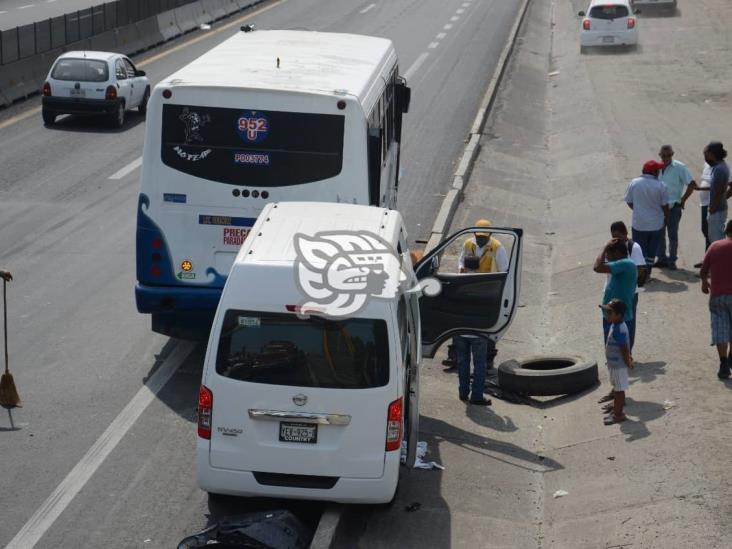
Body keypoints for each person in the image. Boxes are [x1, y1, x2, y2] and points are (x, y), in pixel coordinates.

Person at [444, 219, 508, 372]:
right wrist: (461, 268)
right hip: (468, 287)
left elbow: (505, 270)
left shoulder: (497, 248)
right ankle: (454, 357)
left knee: (487, 326)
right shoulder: (468, 244)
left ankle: (488, 359)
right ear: (474, 234)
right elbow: (460, 260)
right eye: (478, 237)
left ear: (490, 235)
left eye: (483, 237)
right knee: (459, 322)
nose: (480, 240)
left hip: (487, 291)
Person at [455, 256, 491, 406]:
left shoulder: (457, 283)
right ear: (478, 267)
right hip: (478, 332)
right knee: (479, 365)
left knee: (463, 363)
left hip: (460, 331)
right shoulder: (484, 284)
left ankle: (463, 393)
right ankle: (477, 395)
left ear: (465, 266)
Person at [624, 160, 669, 277]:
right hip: (656, 224)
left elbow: (629, 201)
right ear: (654, 172)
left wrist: (638, 210)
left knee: (639, 251)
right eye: (658, 170)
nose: (660, 172)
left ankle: (640, 275)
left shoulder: (634, 183)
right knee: (651, 250)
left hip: (639, 224)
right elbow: (665, 206)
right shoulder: (661, 185)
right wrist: (666, 218)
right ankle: (647, 273)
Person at [700, 220, 732, 379]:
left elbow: (703, 269)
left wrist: (705, 283)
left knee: (720, 328)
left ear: (726, 230)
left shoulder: (715, 246)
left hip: (718, 295)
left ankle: (724, 363)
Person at [656, 145, 695, 270]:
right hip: (659, 208)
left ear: (673, 154)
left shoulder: (679, 167)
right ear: (659, 155)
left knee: (672, 235)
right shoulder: (656, 168)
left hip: (674, 207)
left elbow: (692, 184)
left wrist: (683, 200)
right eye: (663, 155)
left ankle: (672, 260)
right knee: (659, 234)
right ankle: (661, 259)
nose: (666, 157)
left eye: (669, 155)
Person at [593, 238, 638, 346]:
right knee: (612, 350)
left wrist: (604, 248)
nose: (607, 258)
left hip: (619, 317)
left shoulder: (626, 263)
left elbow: (597, 267)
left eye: (608, 254)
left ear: (616, 253)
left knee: (619, 350)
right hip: (612, 315)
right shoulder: (622, 265)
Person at [609, 221, 646, 350]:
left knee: (629, 321)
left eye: (618, 236)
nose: (616, 239)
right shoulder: (612, 248)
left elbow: (640, 270)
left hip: (630, 292)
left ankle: (628, 351)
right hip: (615, 291)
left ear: (625, 234)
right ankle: (616, 350)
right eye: (613, 236)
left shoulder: (633, 247)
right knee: (614, 321)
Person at [599, 298, 633, 425]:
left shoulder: (619, 329)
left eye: (610, 313)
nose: (607, 315)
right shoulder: (615, 324)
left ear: (619, 315)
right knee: (617, 388)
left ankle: (618, 415)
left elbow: (624, 349)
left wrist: (628, 361)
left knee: (619, 391)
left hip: (619, 366)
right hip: (614, 364)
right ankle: (616, 410)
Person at [705, 142, 730, 243]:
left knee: (716, 240)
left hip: (717, 210)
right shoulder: (721, 165)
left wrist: (713, 208)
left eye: (707, 152)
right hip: (720, 209)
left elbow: (719, 191)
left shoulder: (719, 169)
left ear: (712, 153)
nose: (706, 154)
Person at [689, 162, 713, 267]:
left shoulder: (720, 168)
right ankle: (707, 259)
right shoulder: (707, 165)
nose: (705, 157)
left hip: (713, 204)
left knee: (711, 233)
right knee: (706, 231)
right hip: (704, 203)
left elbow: (719, 186)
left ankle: (710, 263)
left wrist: (699, 189)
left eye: (707, 154)